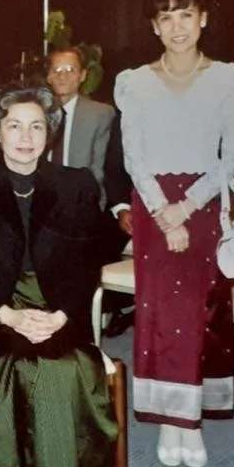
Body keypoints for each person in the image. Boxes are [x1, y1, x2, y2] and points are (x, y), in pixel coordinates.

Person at [0, 84, 118, 467]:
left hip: (61, 309)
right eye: (15, 126)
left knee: (59, 366)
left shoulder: (75, 184)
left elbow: (87, 264)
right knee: (31, 367)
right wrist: (10, 316)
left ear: (50, 133)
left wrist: (60, 315)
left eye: (37, 126)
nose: (26, 136)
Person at [113, 0, 234, 467]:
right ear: (153, 26)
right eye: (166, 17)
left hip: (203, 202)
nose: (176, 27)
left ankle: (188, 422)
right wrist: (162, 213)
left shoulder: (227, 77)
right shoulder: (135, 83)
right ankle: (171, 421)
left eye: (185, 15)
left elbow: (230, 157)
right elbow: (134, 157)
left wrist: (187, 208)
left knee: (196, 313)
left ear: (203, 19)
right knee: (160, 315)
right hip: (153, 206)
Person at [42, 47, 114, 204]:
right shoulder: (36, 112)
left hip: (82, 199)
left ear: (82, 76)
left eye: (70, 69)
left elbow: (99, 168)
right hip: (39, 199)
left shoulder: (100, 114)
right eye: (57, 69)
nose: (63, 76)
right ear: (48, 76)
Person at [100, 111, 136, 337]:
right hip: (131, 205)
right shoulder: (126, 118)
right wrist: (122, 207)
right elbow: (113, 168)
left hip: (179, 207)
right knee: (95, 237)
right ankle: (118, 306)